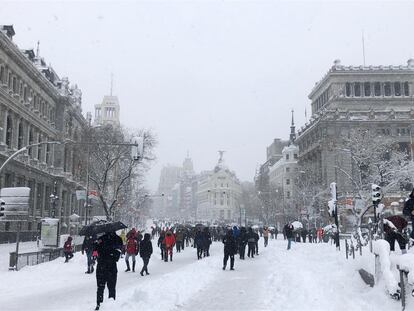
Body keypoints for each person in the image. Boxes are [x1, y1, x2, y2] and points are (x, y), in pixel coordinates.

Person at [94, 231, 123, 311]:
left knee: (100, 287)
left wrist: (98, 256)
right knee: (112, 287)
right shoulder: (118, 239)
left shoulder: (100, 239)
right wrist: (112, 254)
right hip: (111, 267)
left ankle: (99, 305)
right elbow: (118, 255)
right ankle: (111, 305)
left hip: (101, 267)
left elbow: (95, 251)